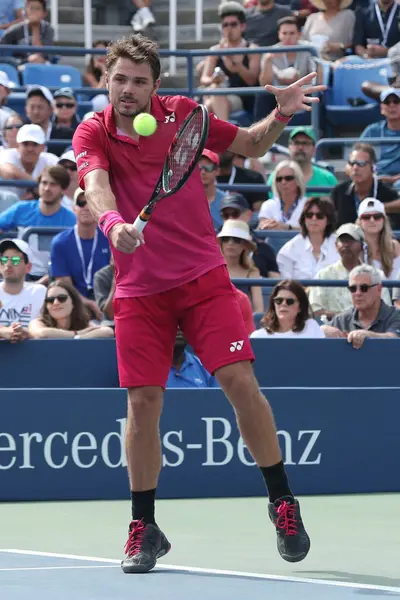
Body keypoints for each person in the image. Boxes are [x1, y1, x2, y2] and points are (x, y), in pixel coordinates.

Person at [72, 34, 323, 573]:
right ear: (106, 81)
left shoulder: (186, 116)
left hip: (203, 279)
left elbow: (253, 146)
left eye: (140, 81)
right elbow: (96, 184)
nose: (128, 90)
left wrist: (279, 114)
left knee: (238, 381)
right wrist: (114, 225)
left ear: (156, 86)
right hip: (140, 290)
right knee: (142, 404)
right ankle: (144, 525)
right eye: (119, 79)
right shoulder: (93, 131)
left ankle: (282, 501)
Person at [0, 165, 76, 278]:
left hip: (57, 278)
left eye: (53, 184)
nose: (47, 188)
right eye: (44, 183)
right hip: (21, 276)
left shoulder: (72, 219)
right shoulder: (20, 209)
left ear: (64, 189)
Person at [50, 187, 110, 321]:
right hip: (73, 305)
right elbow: (65, 285)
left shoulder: (110, 239)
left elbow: (115, 279)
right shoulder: (60, 242)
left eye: (90, 202)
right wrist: (89, 304)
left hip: (107, 302)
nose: (86, 207)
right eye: (81, 203)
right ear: (73, 208)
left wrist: (104, 305)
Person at [309, 223, 392, 318]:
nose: (346, 244)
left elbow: (386, 309)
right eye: (342, 241)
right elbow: (315, 310)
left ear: (362, 245)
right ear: (336, 246)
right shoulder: (323, 275)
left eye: (351, 240)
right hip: (332, 329)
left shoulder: (377, 275)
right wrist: (345, 319)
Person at [200, 2, 260, 121]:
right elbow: (204, 78)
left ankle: (219, 134)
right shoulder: (215, 51)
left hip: (241, 98)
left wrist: (235, 62)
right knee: (215, 91)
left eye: (233, 24)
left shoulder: (252, 49)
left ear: (242, 26)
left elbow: (252, 80)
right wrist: (213, 79)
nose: (229, 28)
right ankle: (224, 134)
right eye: (225, 25)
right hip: (217, 95)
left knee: (208, 106)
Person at [322, 264, 400, 347]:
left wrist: (367, 335)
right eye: (353, 289)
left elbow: (394, 337)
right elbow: (317, 333)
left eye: (364, 288)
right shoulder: (342, 319)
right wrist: (323, 330)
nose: (358, 293)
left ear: (379, 289)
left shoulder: (395, 315)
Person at [331, 142, 400, 230]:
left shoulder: (388, 194)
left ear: (373, 167)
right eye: (352, 163)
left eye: (361, 163)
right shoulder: (338, 192)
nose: (355, 168)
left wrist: (379, 208)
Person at [220, 191, 280, 277]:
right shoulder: (212, 247)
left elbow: (274, 281)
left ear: (248, 215)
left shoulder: (264, 249)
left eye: (235, 214)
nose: (230, 219)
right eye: (225, 215)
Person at [277, 196, 339, 279]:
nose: (314, 219)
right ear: (304, 218)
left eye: (319, 215)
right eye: (309, 215)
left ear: (328, 220)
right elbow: (286, 284)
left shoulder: (340, 245)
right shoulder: (289, 249)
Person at [28, 280, 114, 339]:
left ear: (73, 303)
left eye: (62, 298)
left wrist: (78, 338)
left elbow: (108, 331)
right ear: (46, 305)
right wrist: (77, 333)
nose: (56, 303)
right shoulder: (38, 322)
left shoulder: (84, 323)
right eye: (50, 300)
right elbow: (42, 334)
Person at [266, 127, 338, 197]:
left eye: (305, 143)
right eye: (296, 143)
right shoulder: (277, 177)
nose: (300, 147)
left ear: (314, 149)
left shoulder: (328, 178)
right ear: (289, 147)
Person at [0, 238, 46, 341]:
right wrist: (3, 332)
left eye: (15, 260)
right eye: (4, 260)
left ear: (28, 267)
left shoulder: (40, 292)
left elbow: (52, 327)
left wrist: (28, 334)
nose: (8, 264)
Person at [217, 219, 264, 312]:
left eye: (236, 240)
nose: (230, 243)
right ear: (221, 243)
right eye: (226, 239)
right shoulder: (212, 271)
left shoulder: (253, 272)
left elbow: (259, 309)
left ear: (245, 245)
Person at [0, 123, 58, 199]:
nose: (30, 149)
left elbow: (61, 181)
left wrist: (35, 191)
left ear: (43, 147)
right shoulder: (7, 154)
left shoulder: (50, 159)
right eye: (25, 144)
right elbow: (9, 172)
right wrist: (36, 186)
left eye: (35, 144)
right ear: (18, 145)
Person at [250, 279, 324, 338]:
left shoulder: (311, 327)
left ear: (300, 307)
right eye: (278, 300)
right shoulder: (258, 336)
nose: (283, 304)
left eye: (289, 301)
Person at [360, 89, 400, 187]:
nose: (392, 105)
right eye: (387, 102)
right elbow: (354, 159)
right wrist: (371, 177)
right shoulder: (371, 131)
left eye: (396, 101)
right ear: (382, 108)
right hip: (375, 178)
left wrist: (395, 179)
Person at [356, 197, 400, 279]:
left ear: (384, 220)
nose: (372, 220)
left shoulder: (394, 246)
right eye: (366, 217)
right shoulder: (354, 248)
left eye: (377, 216)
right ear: (359, 222)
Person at [1, 0, 54, 64]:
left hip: (41, 65)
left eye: (37, 9)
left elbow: (40, 54)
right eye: (31, 8)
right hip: (19, 65)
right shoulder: (16, 28)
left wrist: (35, 27)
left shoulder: (48, 29)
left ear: (44, 13)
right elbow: (2, 44)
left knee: (36, 59)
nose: (34, 12)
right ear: (26, 11)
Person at [258, 160, 307, 230]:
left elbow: (312, 231)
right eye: (279, 179)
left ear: (298, 180)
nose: (283, 182)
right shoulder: (268, 205)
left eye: (288, 178)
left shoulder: (308, 205)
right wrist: (266, 226)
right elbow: (262, 230)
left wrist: (287, 227)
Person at [199, 149, 225, 231]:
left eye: (208, 168)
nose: (203, 172)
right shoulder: (186, 200)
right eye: (198, 168)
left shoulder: (226, 201)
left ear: (217, 171)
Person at [50, 88, 80, 154]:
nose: (64, 108)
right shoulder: (46, 128)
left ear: (76, 107)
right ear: (52, 107)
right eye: (59, 105)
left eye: (69, 105)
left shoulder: (82, 128)